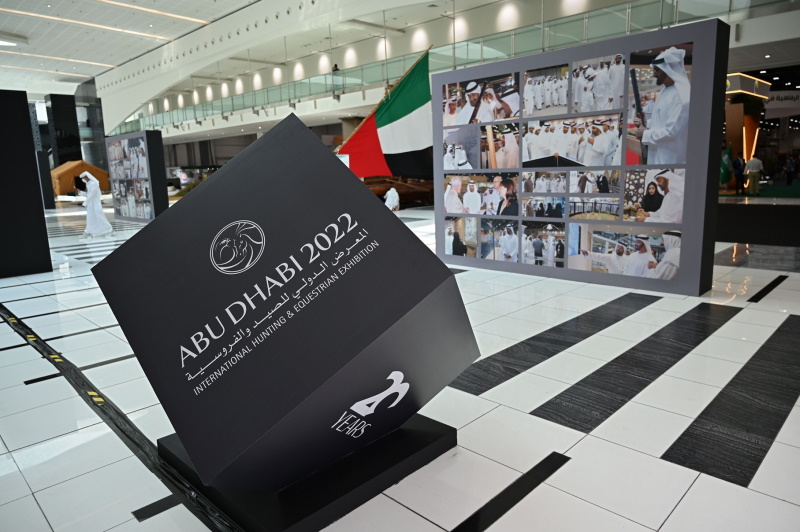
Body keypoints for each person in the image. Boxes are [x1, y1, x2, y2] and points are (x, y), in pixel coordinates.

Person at [633, 47, 690, 164]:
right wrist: (645, 122)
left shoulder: (682, 96)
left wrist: (645, 134)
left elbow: (671, 132)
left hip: (671, 160)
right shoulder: (664, 91)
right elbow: (660, 122)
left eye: (657, 71)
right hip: (657, 156)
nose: (654, 75)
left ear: (668, 70)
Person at [79, 171, 113, 238]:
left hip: (96, 204)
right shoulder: (88, 184)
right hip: (90, 204)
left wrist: (85, 203)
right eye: (83, 178)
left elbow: (92, 194)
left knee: (100, 217)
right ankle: (88, 232)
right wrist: (80, 192)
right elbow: (88, 194)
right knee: (90, 218)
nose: (84, 179)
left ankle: (110, 230)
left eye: (85, 178)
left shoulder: (94, 184)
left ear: (88, 177)